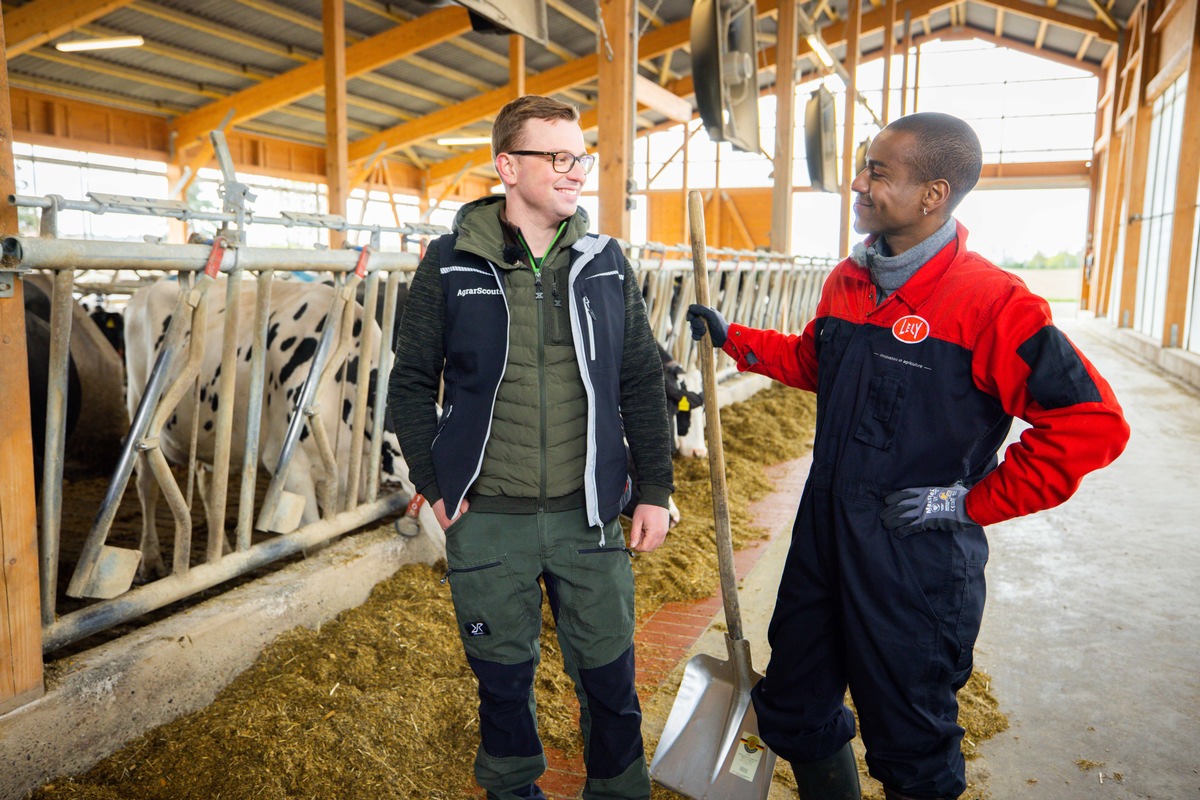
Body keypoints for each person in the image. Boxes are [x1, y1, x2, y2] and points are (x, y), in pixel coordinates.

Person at [686, 112, 1129, 800]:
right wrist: (734, 339)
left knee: (911, 746)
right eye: (864, 167)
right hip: (824, 537)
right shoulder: (848, 281)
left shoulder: (995, 303)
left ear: (934, 194)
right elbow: (816, 360)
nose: (858, 184)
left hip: (913, 559)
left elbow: (1092, 425)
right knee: (793, 710)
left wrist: (970, 501)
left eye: (878, 173)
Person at [387, 94, 674, 800]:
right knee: (502, 680)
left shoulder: (605, 262)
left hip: (589, 517)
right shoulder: (450, 263)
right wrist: (436, 481)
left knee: (609, 678)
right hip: (488, 518)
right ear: (506, 166)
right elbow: (411, 382)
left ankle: (618, 788)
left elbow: (640, 380)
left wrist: (656, 492)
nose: (575, 171)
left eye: (580, 157)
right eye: (557, 157)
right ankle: (513, 788)